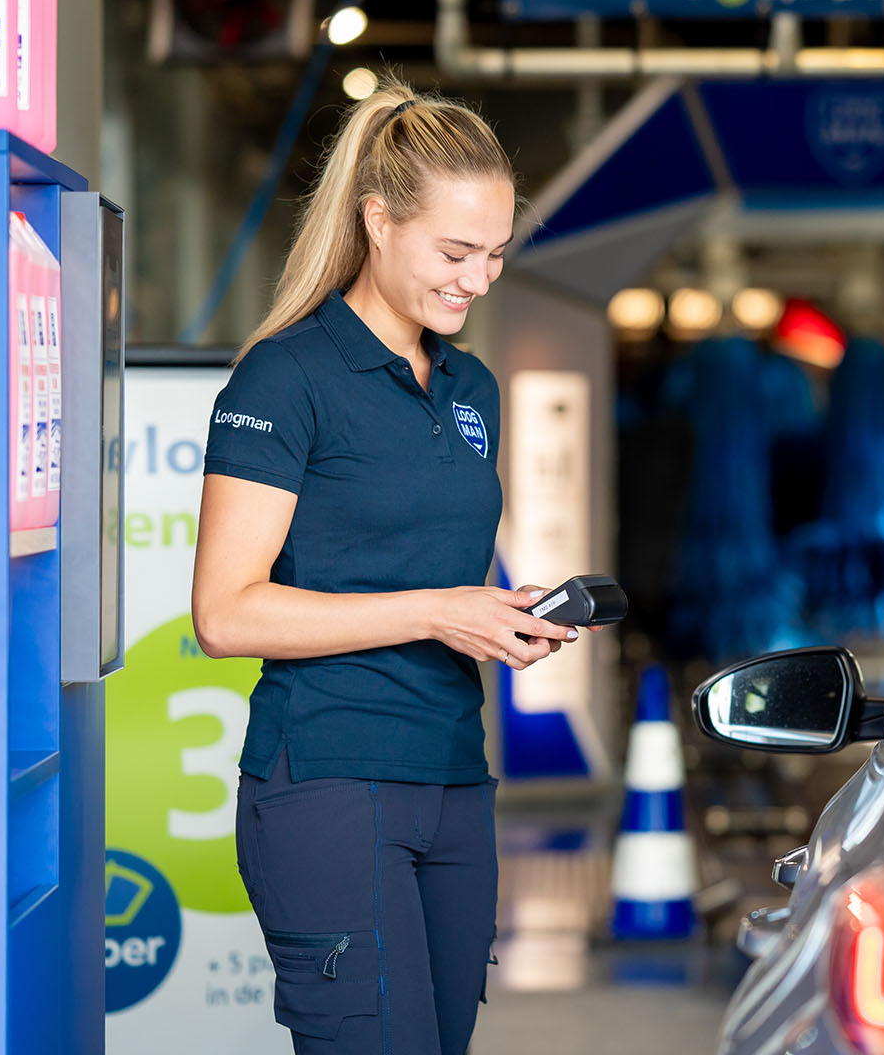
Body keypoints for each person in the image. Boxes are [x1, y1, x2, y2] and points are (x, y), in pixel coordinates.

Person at [191, 83, 577, 1055]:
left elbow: (425, 571)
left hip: (452, 779)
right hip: (327, 781)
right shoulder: (286, 378)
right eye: (456, 253)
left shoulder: (469, 384)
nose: (479, 279)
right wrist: (437, 613)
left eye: (494, 254)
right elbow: (225, 616)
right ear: (376, 219)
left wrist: (497, 612)